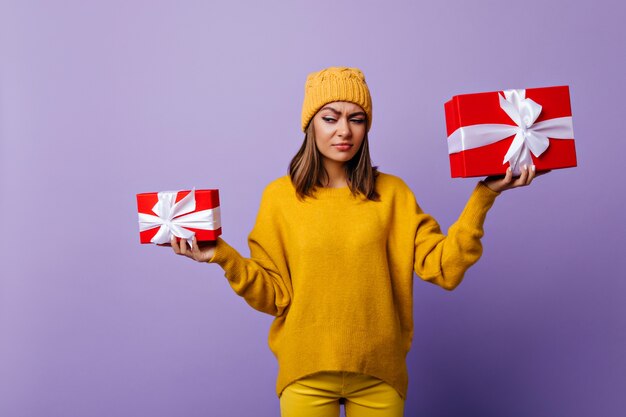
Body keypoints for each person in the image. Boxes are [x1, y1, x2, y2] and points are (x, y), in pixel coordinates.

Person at [166, 67, 540, 417]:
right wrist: (222, 256)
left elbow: (445, 268)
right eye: (330, 118)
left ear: (366, 128)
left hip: (379, 375)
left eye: (356, 119)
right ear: (310, 124)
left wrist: (485, 194)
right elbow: (274, 296)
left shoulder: (394, 194)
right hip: (305, 374)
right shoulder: (279, 198)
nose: (343, 130)